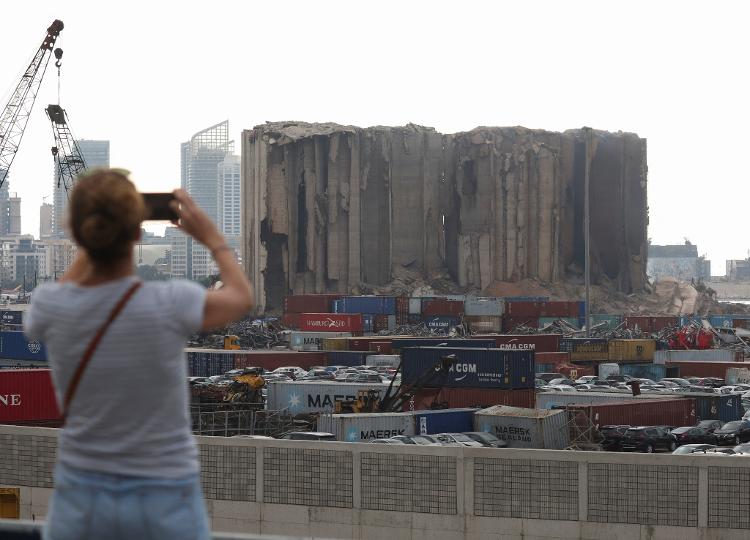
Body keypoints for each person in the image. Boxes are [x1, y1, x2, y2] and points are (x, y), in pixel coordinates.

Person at [25, 168, 253, 540]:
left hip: (82, 502)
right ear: (137, 232)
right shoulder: (170, 301)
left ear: (79, 233)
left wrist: (91, 240)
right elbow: (241, 298)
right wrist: (214, 240)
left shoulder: (51, 305)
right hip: (164, 500)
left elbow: (70, 283)